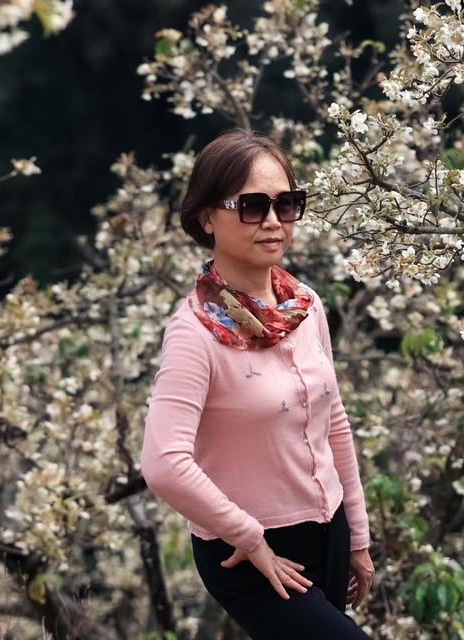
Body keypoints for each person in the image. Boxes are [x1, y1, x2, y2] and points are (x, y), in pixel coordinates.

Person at [141, 129, 374, 639]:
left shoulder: (304, 305)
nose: (273, 221)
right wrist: (247, 535)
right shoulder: (194, 332)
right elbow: (163, 463)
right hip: (248, 552)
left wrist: (357, 534)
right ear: (208, 217)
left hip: (329, 529)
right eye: (251, 206)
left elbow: (333, 421)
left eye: (285, 204)